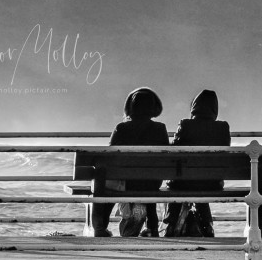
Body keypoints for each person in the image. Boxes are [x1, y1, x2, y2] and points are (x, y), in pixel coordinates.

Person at [93, 87, 169, 237]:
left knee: (105, 185)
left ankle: (101, 227)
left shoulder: (121, 128)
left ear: (130, 107)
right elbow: (166, 156)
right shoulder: (160, 129)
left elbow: (109, 157)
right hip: (151, 183)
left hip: (124, 183)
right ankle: (152, 228)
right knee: (147, 182)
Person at [164, 89, 231, 238]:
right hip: (212, 183)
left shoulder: (186, 124)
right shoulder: (223, 127)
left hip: (184, 182)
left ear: (194, 107)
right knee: (200, 182)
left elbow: (174, 150)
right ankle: (207, 224)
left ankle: (170, 222)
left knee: (181, 183)